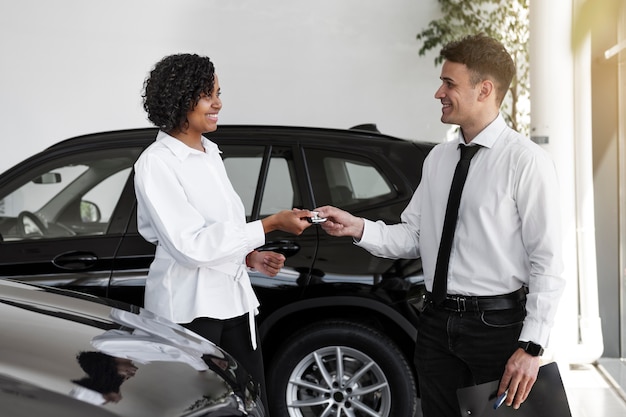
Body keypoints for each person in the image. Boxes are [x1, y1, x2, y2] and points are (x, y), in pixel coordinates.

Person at [315, 34, 565, 417]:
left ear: (484, 90)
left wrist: (531, 347)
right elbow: (413, 236)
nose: (439, 93)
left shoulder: (526, 162)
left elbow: (548, 262)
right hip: (436, 325)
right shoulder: (439, 159)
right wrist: (357, 228)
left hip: (497, 329)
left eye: (449, 83)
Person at [134, 53, 313, 408]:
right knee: (196, 408)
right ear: (180, 98)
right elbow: (191, 247)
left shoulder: (210, 152)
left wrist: (249, 256)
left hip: (234, 302)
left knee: (251, 402)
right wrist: (270, 224)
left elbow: (219, 231)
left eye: (218, 92)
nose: (218, 103)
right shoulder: (156, 163)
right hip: (190, 311)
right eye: (207, 94)